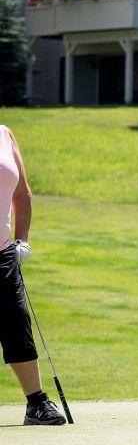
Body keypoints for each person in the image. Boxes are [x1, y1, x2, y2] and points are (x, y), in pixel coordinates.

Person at [0, 124, 66, 425]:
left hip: (1, 254)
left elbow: (21, 193)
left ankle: (36, 404)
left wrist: (21, 240)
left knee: (16, 321)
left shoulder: (5, 134)